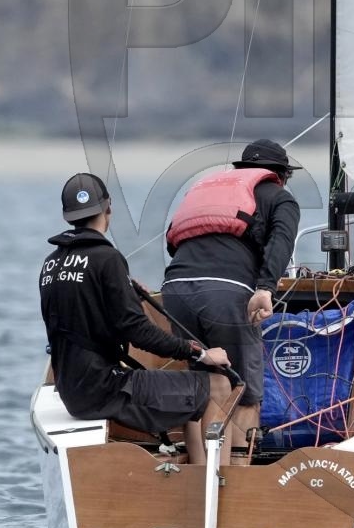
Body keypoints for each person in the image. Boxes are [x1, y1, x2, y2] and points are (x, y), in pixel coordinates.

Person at [39, 172, 231, 466]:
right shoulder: (107, 259)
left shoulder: (51, 263)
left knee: (191, 388)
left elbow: (82, 313)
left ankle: (199, 470)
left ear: (69, 216)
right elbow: (138, 331)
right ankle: (223, 481)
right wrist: (199, 352)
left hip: (72, 390)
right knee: (217, 385)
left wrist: (127, 294)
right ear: (108, 208)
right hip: (104, 389)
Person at [160, 138, 302, 462]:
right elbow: (280, 243)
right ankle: (236, 476)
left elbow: (173, 242)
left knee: (203, 384)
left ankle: (201, 472)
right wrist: (265, 288)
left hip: (176, 289)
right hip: (225, 294)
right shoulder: (280, 197)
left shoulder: (208, 191)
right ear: (281, 175)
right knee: (244, 390)